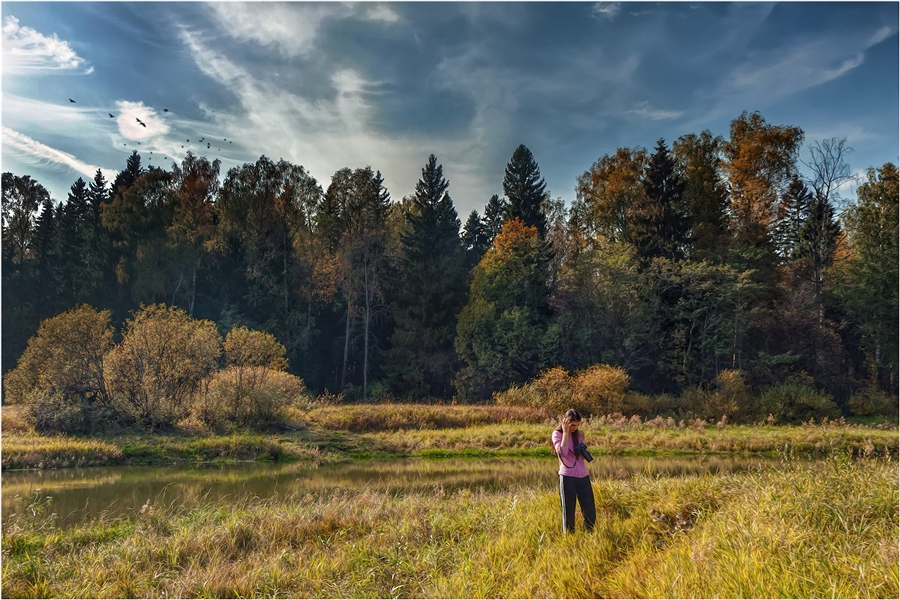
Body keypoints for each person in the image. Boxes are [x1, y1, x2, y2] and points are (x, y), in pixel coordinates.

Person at [551, 408, 596, 532]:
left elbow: (584, 456)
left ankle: (588, 536)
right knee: (569, 514)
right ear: (565, 422)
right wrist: (566, 433)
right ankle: (569, 540)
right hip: (567, 477)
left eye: (577, 425)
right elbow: (564, 453)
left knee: (590, 513)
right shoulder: (557, 434)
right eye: (572, 425)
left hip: (583, 476)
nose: (574, 428)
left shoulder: (579, 434)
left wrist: (584, 451)